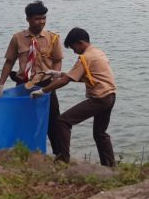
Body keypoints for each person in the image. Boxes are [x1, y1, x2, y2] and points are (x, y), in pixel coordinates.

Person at [30, 27, 116, 167]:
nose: (74, 51)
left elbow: (66, 81)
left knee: (63, 121)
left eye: (73, 47)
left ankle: (63, 161)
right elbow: (87, 76)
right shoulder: (98, 52)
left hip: (99, 99)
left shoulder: (85, 57)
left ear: (81, 43)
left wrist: (43, 91)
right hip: (110, 96)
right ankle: (110, 166)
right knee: (100, 133)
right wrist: (58, 73)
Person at [0, 0, 63, 154]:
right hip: (23, 85)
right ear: (28, 19)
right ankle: (27, 153)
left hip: (46, 85)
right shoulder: (18, 38)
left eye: (44, 18)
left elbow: (57, 60)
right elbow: (9, 62)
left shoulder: (53, 38)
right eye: (38, 18)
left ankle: (60, 156)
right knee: (23, 121)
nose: (42, 22)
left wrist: (55, 80)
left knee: (53, 122)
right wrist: (0, 85)